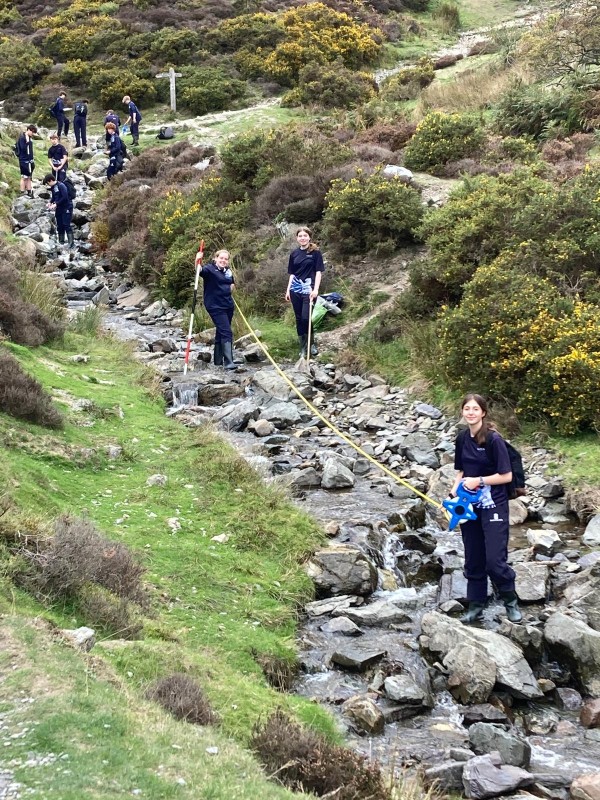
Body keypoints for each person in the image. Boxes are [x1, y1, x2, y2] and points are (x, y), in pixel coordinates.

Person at [450, 393, 522, 625]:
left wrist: (479, 481)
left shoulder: (493, 440)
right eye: (466, 409)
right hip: (469, 504)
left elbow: (506, 475)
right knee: (473, 556)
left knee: (494, 559)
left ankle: (510, 601)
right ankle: (476, 605)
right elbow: (461, 471)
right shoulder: (462, 438)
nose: (470, 413)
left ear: (483, 413)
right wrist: (454, 492)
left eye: (475, 409)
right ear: (462, 412)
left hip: (494, 504)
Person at [285, 227, 324, 358]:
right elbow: (292, 273)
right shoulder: (294, 254)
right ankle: (302, 347)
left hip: (309, 289)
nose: (302, 238)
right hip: (295, 289)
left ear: (309, 237)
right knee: (298, 318)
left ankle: (311, 344)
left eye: (305, 235)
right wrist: (288, 290)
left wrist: (316, 289)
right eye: (300, 236)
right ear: (297, 238)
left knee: (306, 317)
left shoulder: (315, 253)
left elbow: (318, 272)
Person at [200, 249, 237, 370]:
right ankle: (228, 362)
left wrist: (228, 290)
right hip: (214, 306)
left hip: (228, 304)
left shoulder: (228, 271)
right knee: (226, 331)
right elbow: (199, 271)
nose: (223, 260)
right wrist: (197, 260)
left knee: (221, 331)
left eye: (226, 259)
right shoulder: (209, 269)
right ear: (215, 258)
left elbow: (232, 284)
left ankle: (217, 360)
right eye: (221, 258)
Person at [43, 173, 73, 249]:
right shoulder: (53, 187)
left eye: (47, 183)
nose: (48, 185)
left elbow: (65, 197)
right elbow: (54, 197)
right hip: (59, 208)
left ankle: (71, 243)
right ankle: (61, 242)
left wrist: (56, 203)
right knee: (60, 225)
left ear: (50, 180)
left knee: (66, 224)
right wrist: (50, 202)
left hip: (66, 207)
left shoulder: (61, 186)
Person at [16, 124, 37, 198]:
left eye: (33, 132)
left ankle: (29, 191)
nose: (32, 133)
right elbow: (23, 148)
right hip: (24, 160)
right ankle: (22, 191)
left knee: (29, 176)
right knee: (24, 177)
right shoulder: (22, 138)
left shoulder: (30, 138)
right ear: (28, 130)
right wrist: (27, 142)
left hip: (30, 160)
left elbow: (30, 150)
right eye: (32, 131)